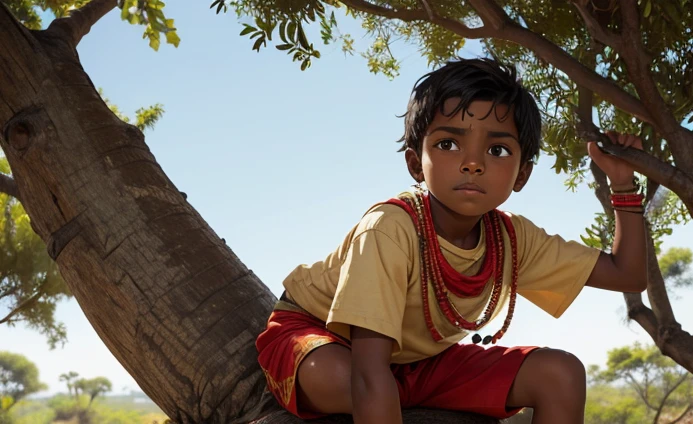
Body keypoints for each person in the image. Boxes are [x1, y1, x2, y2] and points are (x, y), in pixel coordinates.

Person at [256, 58, 648, 424]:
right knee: (342, 379)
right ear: (415, 164)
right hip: (325, 339)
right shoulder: (390, 228)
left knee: (561, 374)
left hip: (417, 362)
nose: (472, 162)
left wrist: (623, 184)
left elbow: (628, 275)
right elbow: (368, 371)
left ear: (521, 175)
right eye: (448, 143)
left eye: (497, 149)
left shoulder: (511, 238)